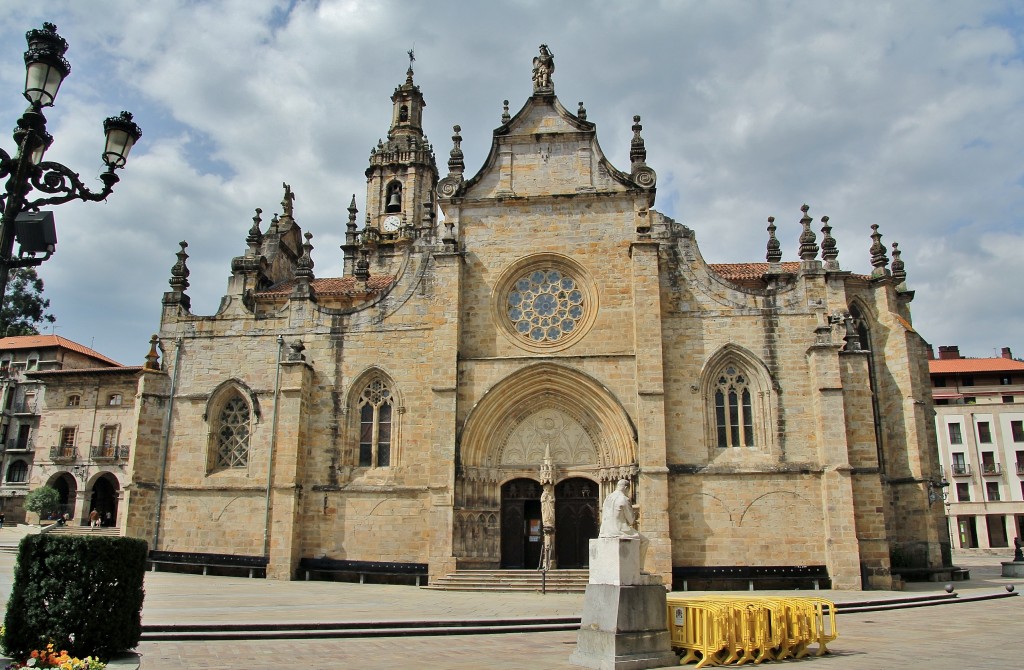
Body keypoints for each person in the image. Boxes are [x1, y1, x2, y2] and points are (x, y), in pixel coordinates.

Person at [599, 479, 650, 571]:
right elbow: (631, 520)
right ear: (626, 488)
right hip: (619, 530)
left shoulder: (607, 498)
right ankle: (639, 569)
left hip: (605, 530)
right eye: (628, 490)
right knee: (645, 541)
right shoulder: (624, 499)